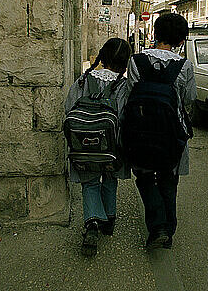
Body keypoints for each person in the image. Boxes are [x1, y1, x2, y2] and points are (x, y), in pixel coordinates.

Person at [124, 13, 197, 250]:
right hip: (171, 134)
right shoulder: (183, 66)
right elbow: (189, 98)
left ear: (155, 34)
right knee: (168, 179)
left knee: (144, 177)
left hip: (140, 131)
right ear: (179, 40)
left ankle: (158, 227)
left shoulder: (135, 62)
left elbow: (129, 94)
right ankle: (168, 230)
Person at [64, 38, 132, 256]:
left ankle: (92, 223)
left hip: (84, 147)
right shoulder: (123, 86)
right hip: (112, 148)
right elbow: (125, 117)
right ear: (124, 63)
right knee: (110, 180)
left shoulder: (83, 81)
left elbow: (69, 108)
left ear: (102, 56)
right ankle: (109, 220)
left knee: (90, 182)